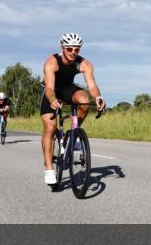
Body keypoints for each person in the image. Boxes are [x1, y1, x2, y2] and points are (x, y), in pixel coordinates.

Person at [40, 33, 106, 185]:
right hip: (50, 91)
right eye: (69, 49)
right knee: (50, 127)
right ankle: (49, 168)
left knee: (84, 100)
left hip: (68, 89)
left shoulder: (84, 64)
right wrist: (52, 100)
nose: (73, 53)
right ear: (62, 48)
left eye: (76, 50)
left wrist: (98, 98)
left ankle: (72, 136)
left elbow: (92, 85)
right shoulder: (52, 62)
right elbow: (49, 87)